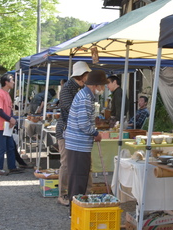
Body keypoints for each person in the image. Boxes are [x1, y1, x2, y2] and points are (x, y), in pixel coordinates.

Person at [64, 70, 109, 216]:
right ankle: (75, 212)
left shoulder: (85, 95)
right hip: (78, 144)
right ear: (95, 85)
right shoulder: (85, 98)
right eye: (102, 86)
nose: (102, 89)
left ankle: (76, 210)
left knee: (78, 178)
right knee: (78, 179)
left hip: (77, 143)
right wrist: (95, 133)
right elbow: (83, 124)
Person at [55, 61, 91, 206]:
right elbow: (72, 111)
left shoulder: (79, 88)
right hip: (65, 131)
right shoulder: (67, 89)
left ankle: (85, 193)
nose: (89, 77)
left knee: (85, 164)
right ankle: (63, 194)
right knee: (66, 164)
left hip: (77, 132)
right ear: (82, 75)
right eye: (87, 74)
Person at [0, 74, 24, 175]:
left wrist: (11, 119)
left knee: (11, 147)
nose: (13, 82)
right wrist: (10, 119)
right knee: (1, 148)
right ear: (6, 82)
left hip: (6, 126)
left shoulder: (6, 94)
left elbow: (9, 109)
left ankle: (12, 167)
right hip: (0, 126)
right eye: (12, 80)